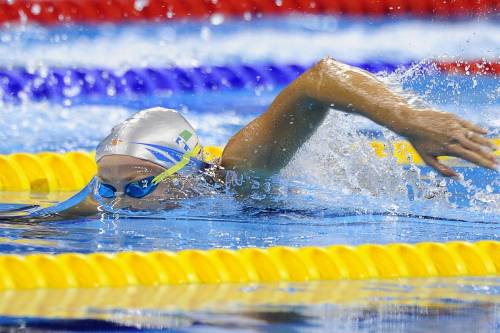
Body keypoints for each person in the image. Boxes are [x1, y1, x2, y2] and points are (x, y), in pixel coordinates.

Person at [6, 57, 499, 218]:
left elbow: (321, 77)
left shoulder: (241, 169)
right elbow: (31, 222)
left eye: (138, 187)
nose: (119, 205)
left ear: (185, 175)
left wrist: (406, 120)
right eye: (105, 187)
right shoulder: (113, 196)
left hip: (414, 196)